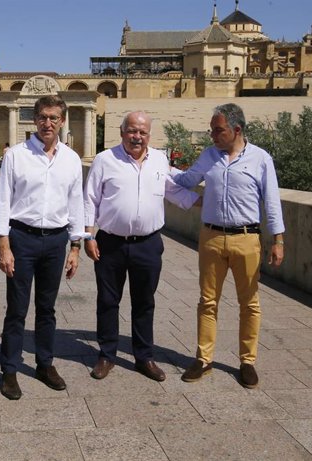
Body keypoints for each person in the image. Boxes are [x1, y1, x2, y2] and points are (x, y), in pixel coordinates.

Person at [172, 103, 285, 389]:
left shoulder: (261, 159)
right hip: (210, 237)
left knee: (249, 303)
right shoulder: (209, 156)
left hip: (247, 238)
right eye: (212, 129)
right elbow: (186, 180)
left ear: (236, 129)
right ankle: (204, 359)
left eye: (217, 130)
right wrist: (156, 167)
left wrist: (278, 240)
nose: (212, 135)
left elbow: (271, 202)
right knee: (207, 301)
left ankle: (247, 362)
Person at [84, 111, 200, 382]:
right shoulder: (105, 160)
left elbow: (173, 190)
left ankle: (144, 357)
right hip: (110, 243)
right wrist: (88, 236)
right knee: (108, 301)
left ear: (150, 134)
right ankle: (107, 355)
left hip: (148, 245)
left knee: (144, 302)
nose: (137, 137)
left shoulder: (160, 159)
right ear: (122, 131)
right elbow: (90, 199)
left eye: (143, 132)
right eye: (132, 131)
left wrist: (209, 203)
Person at [0, 95, 84, 400]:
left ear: (62, 121)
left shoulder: (71, 159)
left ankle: (45, 363)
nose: (48, 123)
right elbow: (3, 201)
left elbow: (76, 204)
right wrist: (3, 245)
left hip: (56, 240)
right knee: (17, 308)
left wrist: (75, 247)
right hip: (22, 238)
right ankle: (9, 368)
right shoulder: (16, 155)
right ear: (34, 119)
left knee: (47, 308)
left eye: (54, 118)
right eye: (43, 117)